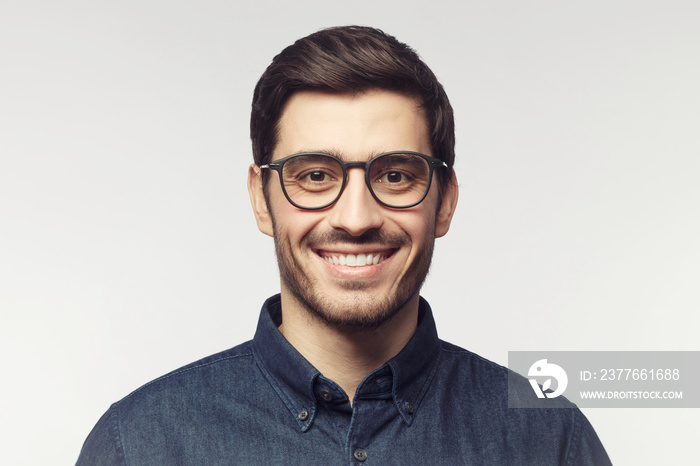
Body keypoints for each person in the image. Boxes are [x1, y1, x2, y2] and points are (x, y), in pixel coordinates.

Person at [77, 26, 611, 465]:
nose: (356, 219)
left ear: (444, 202)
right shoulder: (140, 445)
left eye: (396, 176)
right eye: (314, 175)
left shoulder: (550, 441)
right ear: (262, 200)